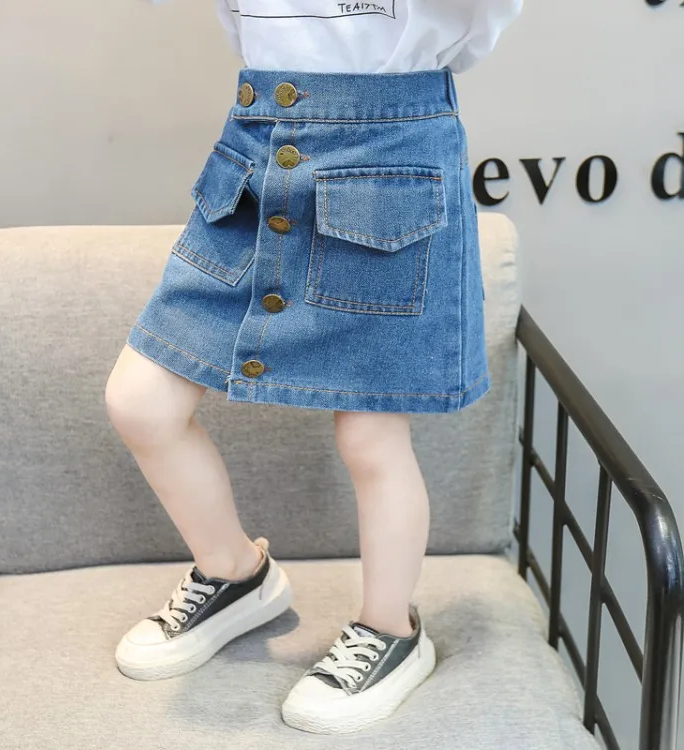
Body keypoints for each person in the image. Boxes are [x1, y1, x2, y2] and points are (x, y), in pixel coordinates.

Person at [105, 0, 522, 735]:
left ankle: (390, 630)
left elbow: (477, 25)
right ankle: (235, 573)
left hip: (388, 154)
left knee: (370, 436)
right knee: (141, 401)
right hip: (258, 146)